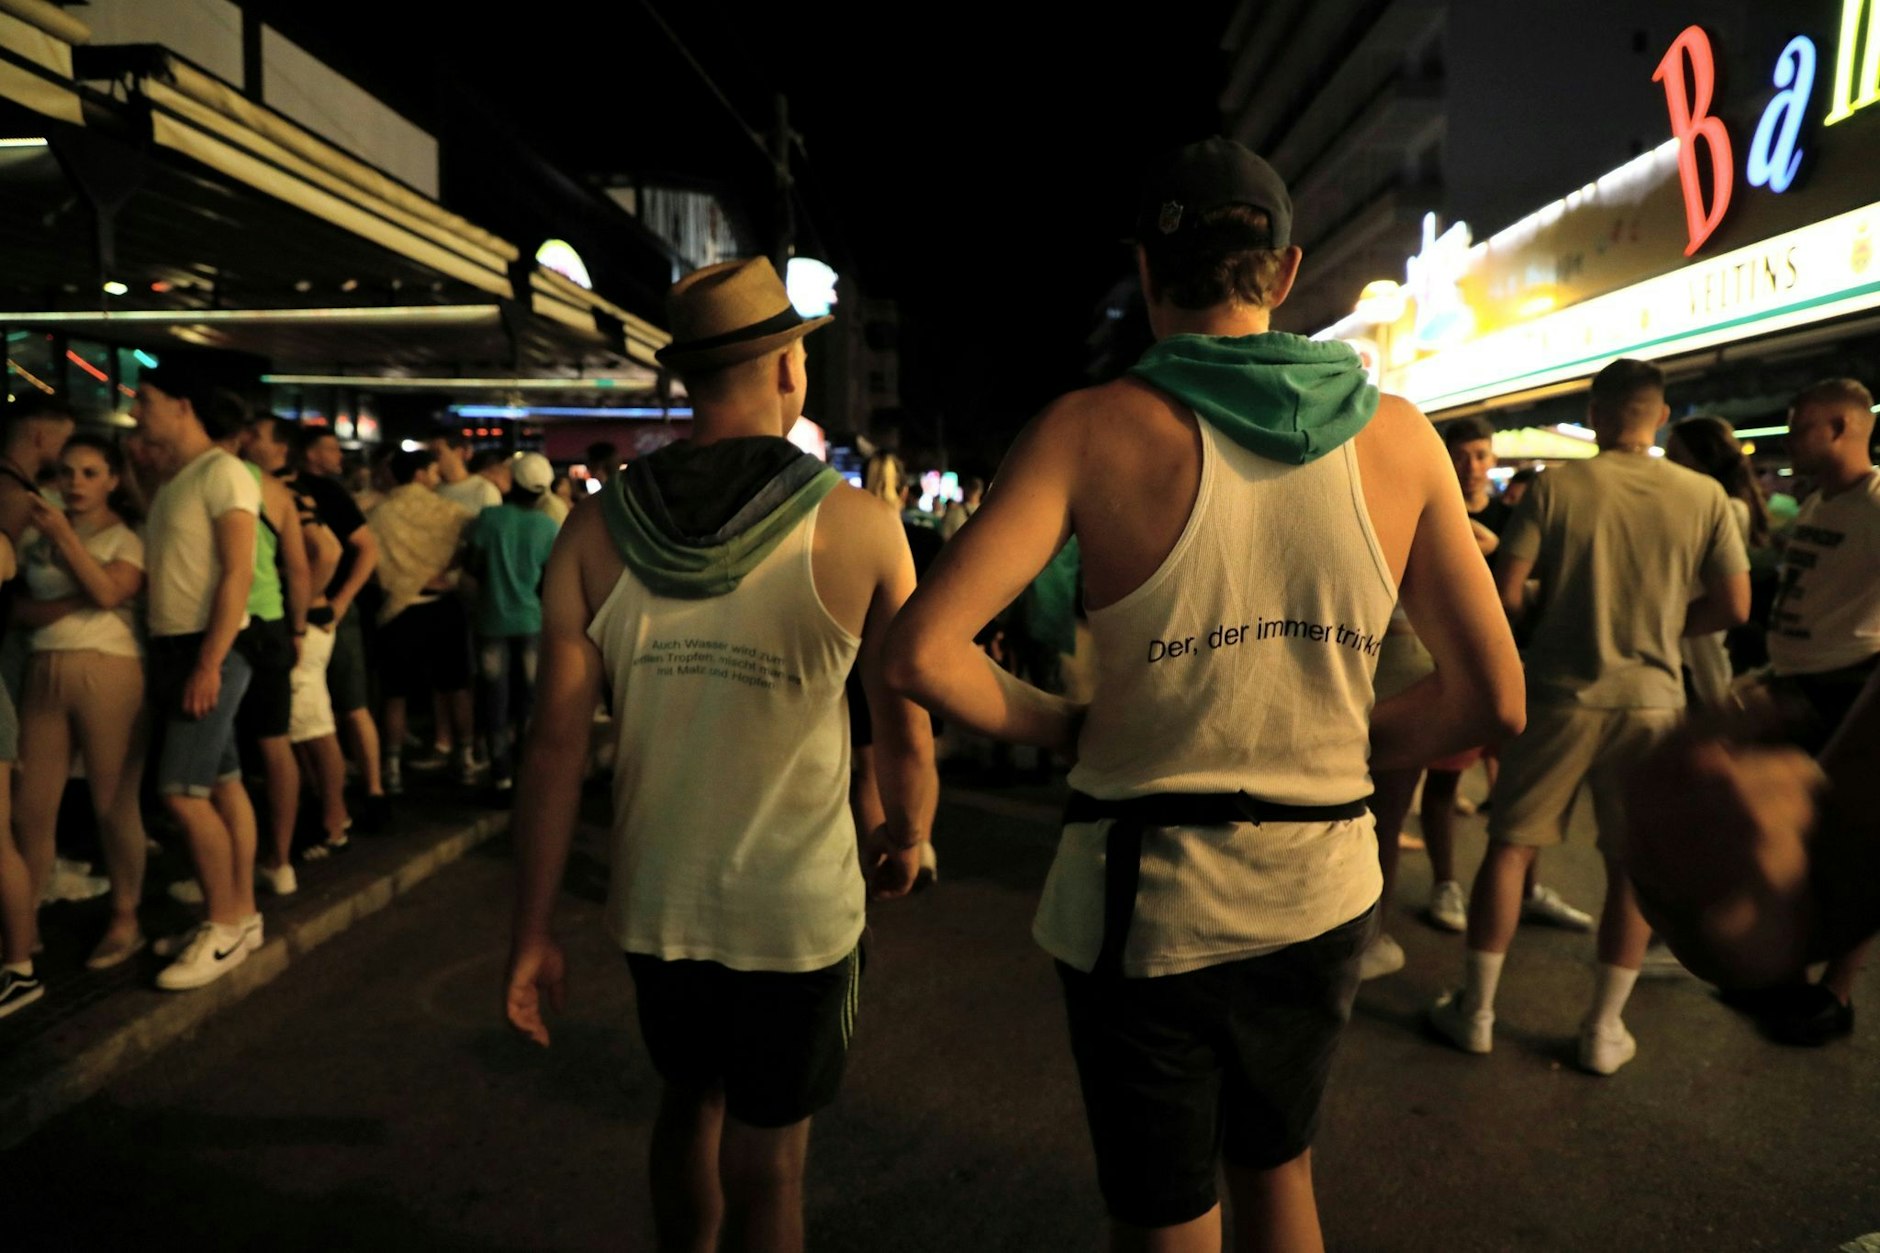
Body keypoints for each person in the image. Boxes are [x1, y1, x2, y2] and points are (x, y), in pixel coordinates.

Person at [885, 138, 1523, 1251]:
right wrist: (1341, 740)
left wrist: (1064, 725)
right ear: (1280, 273)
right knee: (1278, 1172)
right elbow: (1493, 699)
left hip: (1148, 903)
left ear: (1145, 273)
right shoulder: (1402, 439)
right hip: (1324, 882)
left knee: (1166, 1215)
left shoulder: (1087, 431)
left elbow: (918, 652)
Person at [505, 257, 937, 1253]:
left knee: (684, 1104)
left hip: (657, 901)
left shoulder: (591, 528)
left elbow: (554, 749)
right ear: (790, 367)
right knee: (769, 1157)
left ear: (688, 380)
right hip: (795, 909)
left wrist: (531, 927)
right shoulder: (864, 528)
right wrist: (906, 831)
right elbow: (904, 726)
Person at [1427, 358, 1749, 1076]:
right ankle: (1603, 1029)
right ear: (1659, 417)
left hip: (1562, 692)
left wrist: (1557, 614)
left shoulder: (1558, 486)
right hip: (1654, 701)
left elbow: (1506, 589)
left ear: (1597, 416)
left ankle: (1475, 1012)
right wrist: (1665, 628)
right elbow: (1735, 605)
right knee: (1633, 865)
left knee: (1510, 846)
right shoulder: (1703, 496)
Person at [1728, 377, 1879, 1044]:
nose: (1791, 440)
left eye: (1801, 427)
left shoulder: (1877, 503)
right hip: (1797, 686)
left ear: (1842, 428)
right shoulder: (1822, 501)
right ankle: (1785, 970)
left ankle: (1833, 993)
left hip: (1849, 691)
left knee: (1848, 848)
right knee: (1785, 838)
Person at [134, 366, 268, 991]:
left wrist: (210, 662)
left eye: (147, 399)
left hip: (207, 647)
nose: (137, 409)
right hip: (179, 646)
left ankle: (222, 926)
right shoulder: (178, 479)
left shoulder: (223, 472)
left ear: (183, 406)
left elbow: (237, 572)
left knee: (181, 793)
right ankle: (241, 918)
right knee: (223, 782)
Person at [7, 435, 148, 978]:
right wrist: (76, 597)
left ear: (113, 479)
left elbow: (112, 594)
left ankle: (125, 916)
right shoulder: (33, 541)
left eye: (91, 473)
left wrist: (65, 537)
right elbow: (18, 608)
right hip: (45, 670)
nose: (75, 484)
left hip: (108, 669)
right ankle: (25, 926)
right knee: (30, 807)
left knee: (113, 802)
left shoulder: (125, 537)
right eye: (67, 473)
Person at [213, 400, 311, 899]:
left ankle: (228, 866)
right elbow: (297, 566)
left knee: (219, 753)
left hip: (219, 626)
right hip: (271, 622)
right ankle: (281, 858)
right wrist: (298, 627)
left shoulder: (203, 479)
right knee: (275, 744)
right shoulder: (274, 490)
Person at [241, 419, 352, 855]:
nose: (248, 439)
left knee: (312, 727)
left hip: (297, 626)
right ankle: (327, 817)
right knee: (303, 729)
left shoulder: (280, 488)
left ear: (280, 448)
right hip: (300, 622)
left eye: (259, 435)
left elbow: (328, 551)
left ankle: (332, 820)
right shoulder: (285, 486)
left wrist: (302, 602)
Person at [0, 398, 72, 1016]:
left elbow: (1, 564)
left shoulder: (15, 495)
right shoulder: (13, 490)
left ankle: (19, 964)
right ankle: (19, 956)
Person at [289, 426, 389, 830]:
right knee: (330, 710)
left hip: (326, 613)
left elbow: (366, 547)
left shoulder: (328, 493)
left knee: (344, 706)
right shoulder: (309, 490)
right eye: (330, 448)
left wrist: (340, 601)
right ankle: (363, 794)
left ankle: (367, 792)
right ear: (307, 453)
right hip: (323, 611)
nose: (339, 456)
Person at [368, 449, 476, 793]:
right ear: (418, 474)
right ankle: (466, 757)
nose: (437, 477)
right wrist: (451, 572)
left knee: (394, 693)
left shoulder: (379, 514)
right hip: (443, 607)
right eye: (432, 471)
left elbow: (372, 565)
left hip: (399, 610)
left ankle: (392, 767)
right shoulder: (448, 511)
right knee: (457, 686)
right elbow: (473, 541)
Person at [463, 451, 559, 792]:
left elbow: (471, 569)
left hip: (490, 622)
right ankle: (529, 771)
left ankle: (501, 774)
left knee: (495, 699)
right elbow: (550, 581)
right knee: (529, 699)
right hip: (532, 621)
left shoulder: (489, 520)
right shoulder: (548, 527)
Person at [1666, 415, 1769, 711]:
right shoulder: (1708, 505)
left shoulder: (1728, 508)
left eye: (1676, 457)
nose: (1668, 467)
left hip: (1698, 634)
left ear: (1704, 460)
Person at [430, 432, 502, 514]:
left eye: (437, 453)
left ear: (459, 453)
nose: (433, 459)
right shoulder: (432, 491)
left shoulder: (484, 491)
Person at [939, 475, 984, 540]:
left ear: (965, 489)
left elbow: (945, 535)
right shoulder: (986, 513)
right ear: (981, 491)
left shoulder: (954, 510)